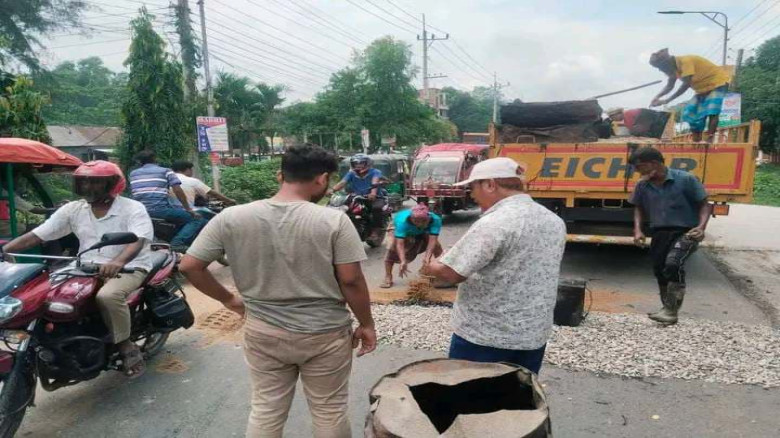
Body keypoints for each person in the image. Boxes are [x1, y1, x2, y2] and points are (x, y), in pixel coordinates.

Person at [179, 144, 376, 438]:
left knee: (266, 409)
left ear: (279, 176)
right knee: (329, 410)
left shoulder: (231, 217)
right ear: (322, 179)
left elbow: (190, 266)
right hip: (324, 333)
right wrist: (366, 324)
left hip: (263, 330)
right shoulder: (333, 220)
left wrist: (230, 300)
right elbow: (351, 280)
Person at [0, 161, 153, 377]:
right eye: (84, 182)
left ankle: (126, 345)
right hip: (84, 265)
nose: (88, 187)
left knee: (108, 296)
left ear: (113, 184)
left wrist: (118, 261)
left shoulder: (132, 208)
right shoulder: (73, 209)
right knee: (46, 295)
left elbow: (138, 239)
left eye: (95, 182)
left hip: (129, 266)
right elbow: (38, 234)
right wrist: (6, 249)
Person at [427, 157, 565, 374]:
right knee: (519, 392)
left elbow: (450, 273)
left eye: (473, 187)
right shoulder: (554, 221)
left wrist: (432, 264)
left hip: (485, 338)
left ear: (490, 184)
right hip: (532, 336)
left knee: (470, 392)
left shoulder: (495, 223)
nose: (472, 195)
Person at [629, 147, 710, 325]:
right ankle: (666, 308)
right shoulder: (642, 185)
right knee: (660, 269)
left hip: (686, 232)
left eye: (639, 167)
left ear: (654, 163)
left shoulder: (686, 179)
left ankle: (671, 311)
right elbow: (638, 207)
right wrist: (638, 230)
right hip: (659, 232)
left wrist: (701, 227)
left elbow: (705, 204)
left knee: (673, 263)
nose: (637, 171)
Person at [129, 150, 206, 251]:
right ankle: (177, 243)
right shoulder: (165, 171)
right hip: (160, 210)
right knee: (197, 219)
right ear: (155, 159)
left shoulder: (133, 173)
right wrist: (188, 209)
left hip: (140, 211)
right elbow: (177, 190)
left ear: (140, 162)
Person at [649, 48, 731, 143]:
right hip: (701, 89)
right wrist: (657, 97)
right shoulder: (674, 70)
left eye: (661, 67)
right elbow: (669, 86)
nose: (660, 70)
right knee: (690, 113)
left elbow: (686, 84)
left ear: (667, 63)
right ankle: (697, 140)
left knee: (712, 111)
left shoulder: (686, 62)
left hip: (717, 83)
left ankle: (710, 139)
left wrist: (667, 100)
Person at [381, 203, 443, 288]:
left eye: (424, 221)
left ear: (428, 218)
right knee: (392, 248)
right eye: (417, 221)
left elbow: (432, 241)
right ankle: (388, 275)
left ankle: (437, 272)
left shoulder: (435, 220)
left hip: (422, 231)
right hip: (400, 230)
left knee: (437, 246)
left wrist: (427, 257)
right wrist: (403, 261)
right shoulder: (402, 222)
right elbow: (400, 244)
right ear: (412, 219)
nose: (420, 224)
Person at [330, 153, 387, 231]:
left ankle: (376, 230)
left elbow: (375, 182)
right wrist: (332, 190)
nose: (358, 165)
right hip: (357, 197)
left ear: (367, 163)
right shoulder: (351, 173)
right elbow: (342, 182)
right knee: (345, 208)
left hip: (374, 197)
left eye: (361, 163)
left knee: (376, 208)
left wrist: (373, 193)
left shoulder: (375, 172)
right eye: (356, 163)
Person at [169, 160, 236, 219]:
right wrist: (229, 200)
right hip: (189, 211)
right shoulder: (192, 181)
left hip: (170, 212)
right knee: (217, 219)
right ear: (188, 169)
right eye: (191, 170)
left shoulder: (167, 179)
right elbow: (213, 193)